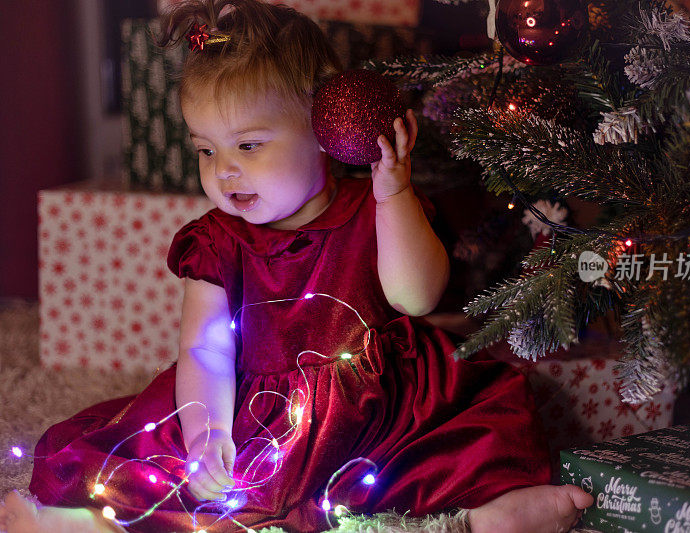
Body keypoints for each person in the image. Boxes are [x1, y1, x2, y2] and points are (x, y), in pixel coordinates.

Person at [0, 1, 593, 531]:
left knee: (470, 439)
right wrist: (208, 433)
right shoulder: (217, 241)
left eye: (249, 146)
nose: (224, 171)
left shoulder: (372, 208)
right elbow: (204, 351)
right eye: (205, 149)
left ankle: (488, 513)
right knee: (147, 465)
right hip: (248, 410)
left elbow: (417, 297)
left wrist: (394, 194)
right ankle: (87, 520)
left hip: (375, 411)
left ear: (324, 130)